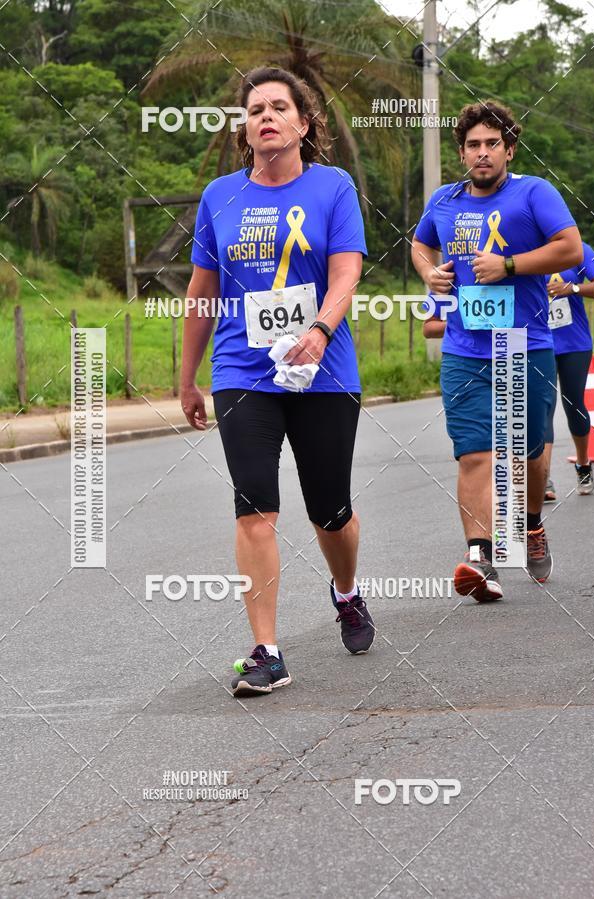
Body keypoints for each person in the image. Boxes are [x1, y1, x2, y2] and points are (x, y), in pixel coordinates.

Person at [180, 66, 375, 698]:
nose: (265, 116)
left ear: (303, 122)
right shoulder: (220, 197)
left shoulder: (333, 187)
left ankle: (345, 591)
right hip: (243, 371)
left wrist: (318, 329)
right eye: (255, 109)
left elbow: (347, 273)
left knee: (331, 510)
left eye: (277, 107)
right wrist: (187, 378)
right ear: (246, 129)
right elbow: (202, 291)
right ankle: (267, 650)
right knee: (255, 507)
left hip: (323, 371)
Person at [411, 100, 583, 601]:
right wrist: (427, 271)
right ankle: (480, 558)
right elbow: (420, 245)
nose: (482, 154)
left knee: (529, 451)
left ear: (509, 148)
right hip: (465, 347)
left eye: (491, 144)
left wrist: (508, 266)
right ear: (461, 152)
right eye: (472, 145)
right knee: (474, 454)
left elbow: (570, 248)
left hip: (524, 342)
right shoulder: (443, 201)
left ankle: (529, 524)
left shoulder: (534, 192)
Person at [543, 242, 594, 500]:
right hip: (536, 342)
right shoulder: (521, 248)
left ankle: (583, 464)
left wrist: (572, 288)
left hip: (573, 343)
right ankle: (542, 479)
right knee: (541, 407)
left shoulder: (577, 248)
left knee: (574, 405)